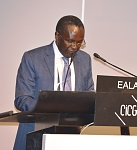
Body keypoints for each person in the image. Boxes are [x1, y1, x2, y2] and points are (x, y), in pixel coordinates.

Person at [13, 15, 94, 150]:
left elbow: (89, 94)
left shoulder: (85, 60)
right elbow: (22, 99)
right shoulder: (33, 58)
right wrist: (52, 109)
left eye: (79, 42)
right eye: (70, 41)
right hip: (35, 133)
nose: (74, 47)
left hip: (72, 137)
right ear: (57, 36)